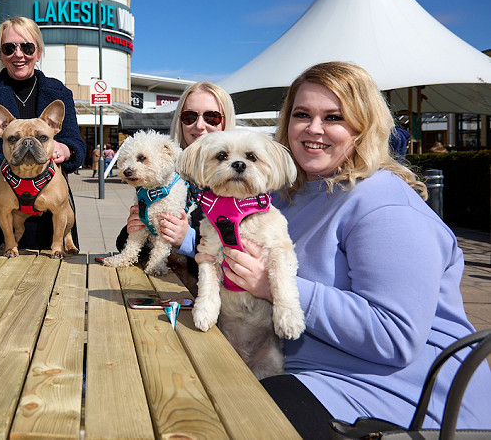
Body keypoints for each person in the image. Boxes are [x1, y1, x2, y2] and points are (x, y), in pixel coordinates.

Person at [199, 62, 491, 438]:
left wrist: (273, 285)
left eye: (334, 117)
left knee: (228, 420)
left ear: (363, 126)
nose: (314, 128)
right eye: (302, 114)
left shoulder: (386, 207)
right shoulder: (290, 194)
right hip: (310, 371)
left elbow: (395, 337)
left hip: (402, 398)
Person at [0, 17, 86, 258]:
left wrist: (67, 150)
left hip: (47, 210)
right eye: (9, 48)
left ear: (38, 51)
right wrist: (12, 169)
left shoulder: (58, 92)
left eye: (27, 47)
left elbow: (75, 142)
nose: (18, 54)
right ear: (1, 55)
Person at [115, 81, 236, 292]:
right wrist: (134, 228)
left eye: (211, 117)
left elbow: (239, 250)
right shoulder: (167, 171)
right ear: (180, 122)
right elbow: (125, 243)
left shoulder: (240, 179)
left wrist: (187, 239)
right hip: (163, 287)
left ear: (225, 123)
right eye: (190, 117)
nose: (199, 125)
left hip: (216, 300)